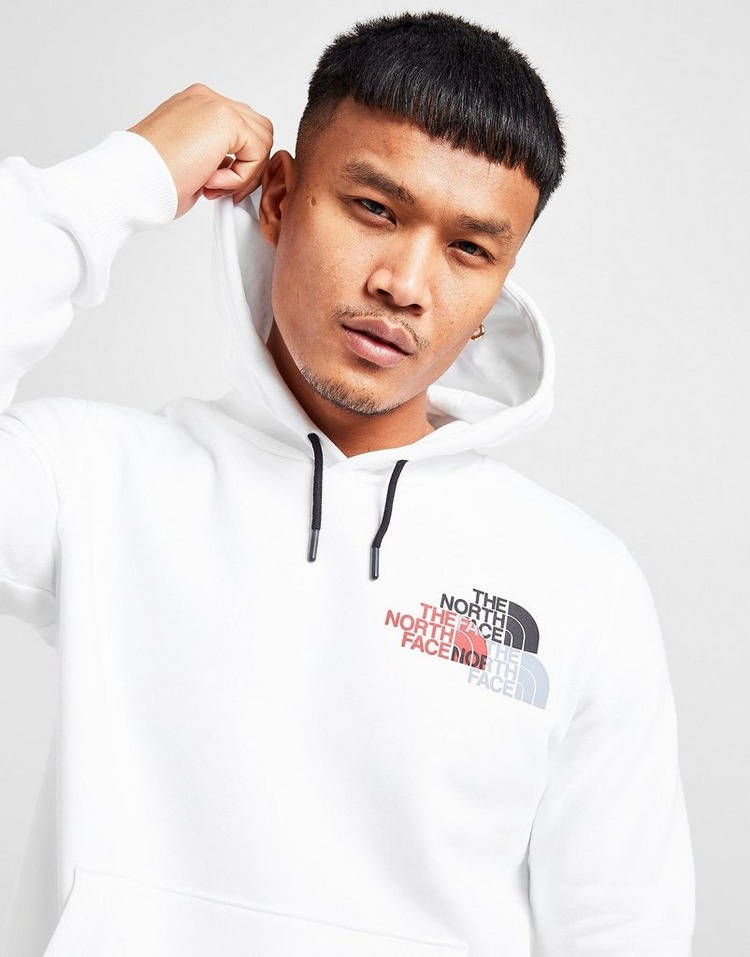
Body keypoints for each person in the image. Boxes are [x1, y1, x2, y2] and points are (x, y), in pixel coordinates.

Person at [0, 10, 695, 956]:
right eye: (375, 208)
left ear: (498, 291)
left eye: (469, 249)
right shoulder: (92, 482)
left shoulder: (582, 583)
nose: (405, 283)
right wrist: (131, 172)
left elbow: (625, 929)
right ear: (280, 199)